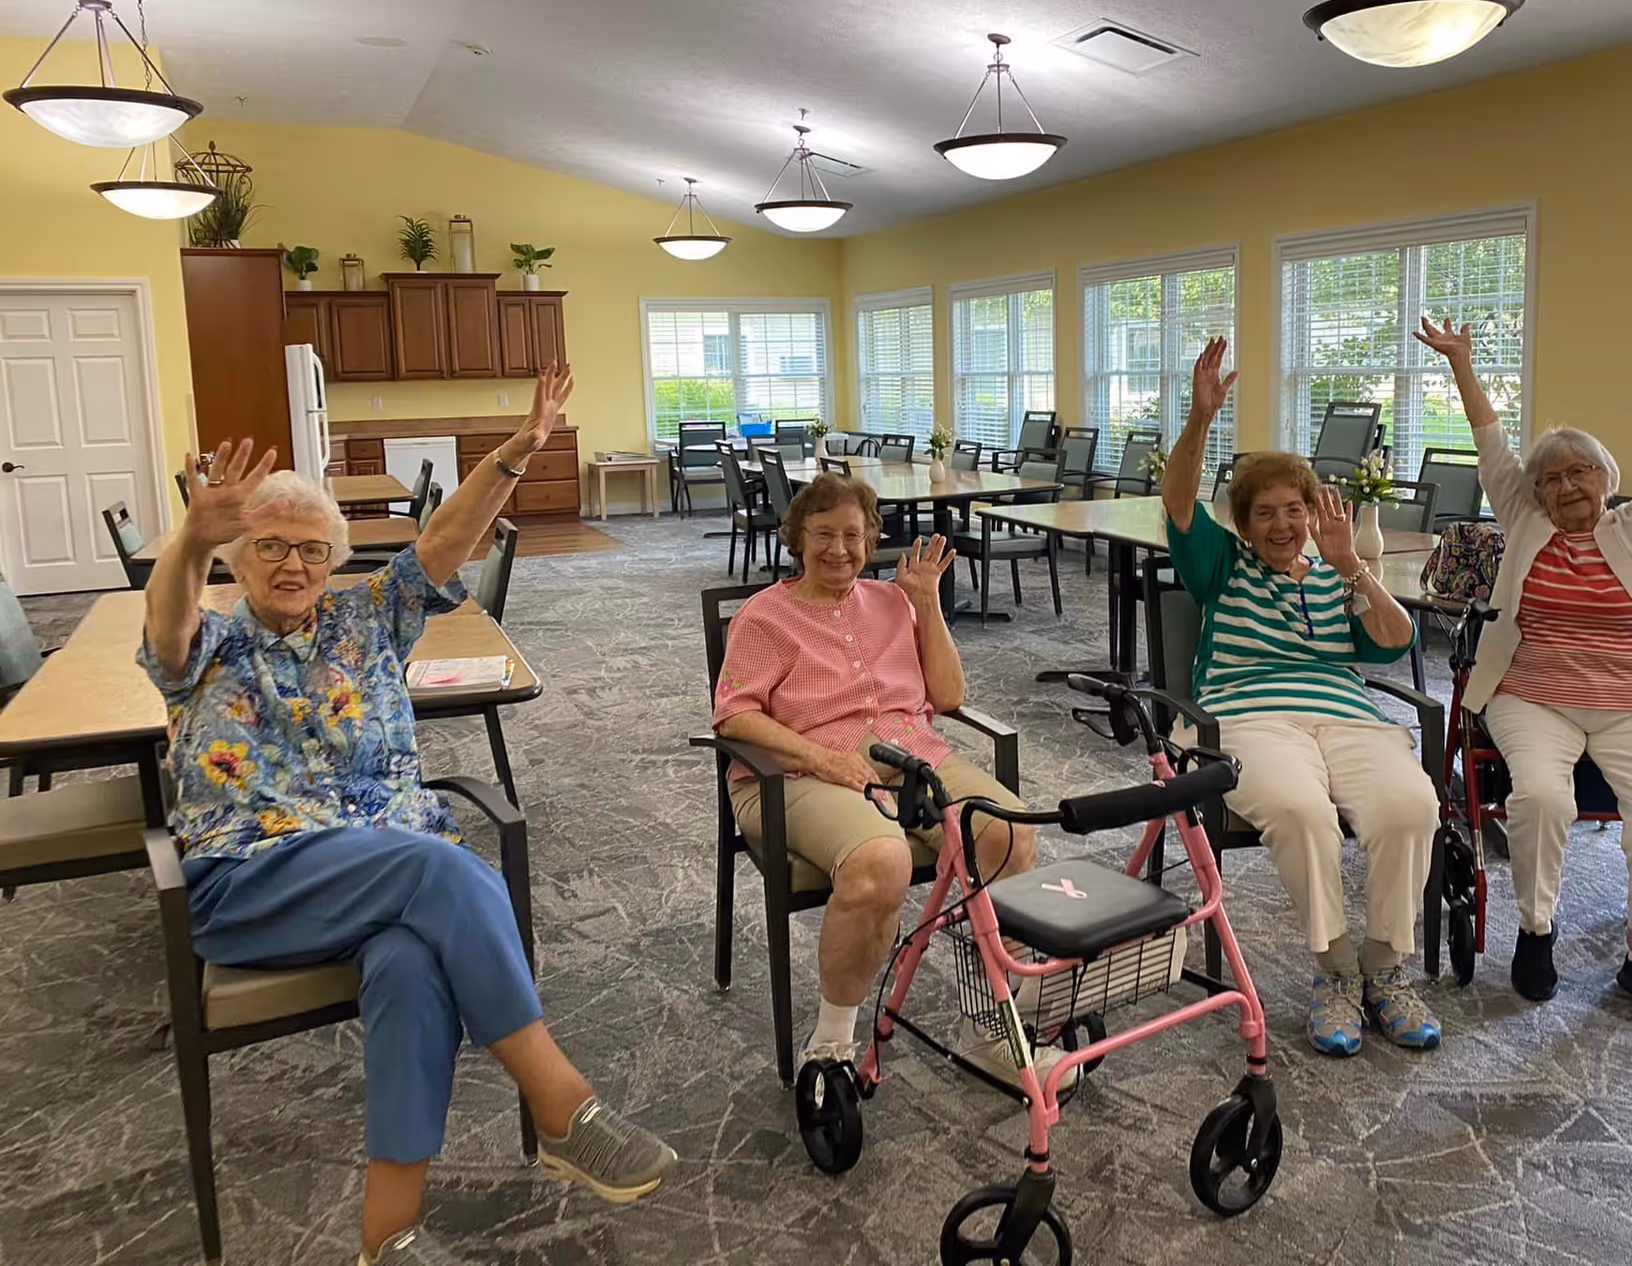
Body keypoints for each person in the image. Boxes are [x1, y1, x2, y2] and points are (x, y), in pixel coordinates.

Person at [141, 364, 674, 1266]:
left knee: (408, 963)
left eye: (312, 547)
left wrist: (517, 449)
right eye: (270, 545)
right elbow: (167, 621)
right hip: (252, 883)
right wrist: (192, 538)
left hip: (380, 885)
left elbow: (447, 538)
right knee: (439, 863)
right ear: (238, 556)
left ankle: (387, 1236)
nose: (294, 564)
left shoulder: (367, 620)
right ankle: (561, 1106)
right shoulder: (209, 649)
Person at [1417, 302, 1632, 1025]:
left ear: (1606, 478)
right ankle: (1536, 931)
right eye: (1553, 477)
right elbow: (1490, 442)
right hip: (1532, 694)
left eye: (1583, 472)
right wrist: (1461, 365)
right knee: (1541, 799)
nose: (1568, 485)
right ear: (1536, 492)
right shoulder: (1525, 520)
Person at [713, 473, 1075, 1089]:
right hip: (798, 771)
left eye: (853, 535)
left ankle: (988, 1022)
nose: (838, 549)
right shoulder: (764, 617)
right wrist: (823, 759)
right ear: (797, 537)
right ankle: (830, 1048)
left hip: (912, 756)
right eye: (822, 534)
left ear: (871, 539)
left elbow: (950, 695)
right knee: (881, 861)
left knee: (1007, 838)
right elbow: (734, 715)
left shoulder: (892, 600)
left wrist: (926, 602)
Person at [1162, 338, 1442, 1056]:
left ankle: (1384, 969)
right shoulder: (1221, 568)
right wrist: (1199, 420)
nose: (1283, 525)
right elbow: (1178, 501)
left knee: (1411, 806)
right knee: (1300, 813)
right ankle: (1336, 971)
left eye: (1295, 510)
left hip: (1345, 716)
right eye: (1265, 513)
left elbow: (1395, 635)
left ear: (1314, 515)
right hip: (1247, 717)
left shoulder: (1334, 575)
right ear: (1243, 522)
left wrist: (1352, 566)